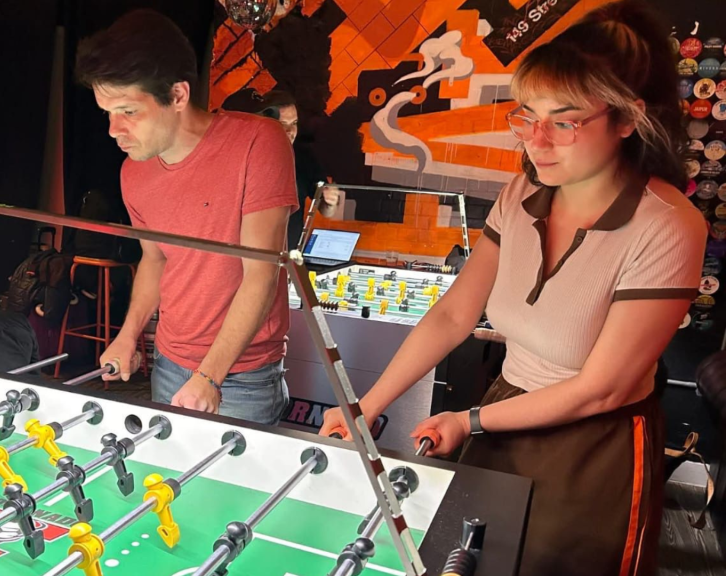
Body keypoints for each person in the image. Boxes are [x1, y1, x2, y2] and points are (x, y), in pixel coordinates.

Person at [319, 1, 704, 574]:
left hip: (593, 450)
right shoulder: (520, 195)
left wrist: (468, 421)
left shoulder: (667, 225)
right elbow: (454, 313)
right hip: (503, 411)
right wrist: (366, 405)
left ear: (627, 119)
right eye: (526, 116)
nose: (535, 141)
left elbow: (599, 390)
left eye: (564, 122)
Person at [76, 9, 298, 425]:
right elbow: (155, 259)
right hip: (170, 360)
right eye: (108, 113)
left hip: (242, 376)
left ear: (177, 95)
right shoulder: (133, 170)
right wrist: (128, 336)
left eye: (128, 111)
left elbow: (261, 274)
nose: (113, 129)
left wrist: (210, 377)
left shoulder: (259, 143)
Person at [222, 89, 342, 250]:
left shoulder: (304, 157)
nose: (290, 131)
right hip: (247, 252)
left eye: (294, 123)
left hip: (288, 254)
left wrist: (330, 201)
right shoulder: (244, 155)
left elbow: (326, 210)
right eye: (282, 124)